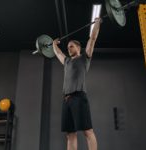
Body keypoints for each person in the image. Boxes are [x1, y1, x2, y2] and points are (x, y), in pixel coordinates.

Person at [53, 18, 101, 150]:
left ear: (78, 48)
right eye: (68, 47)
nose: (69, 49)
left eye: (71, 46)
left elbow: (92, 39)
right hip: (66, 100)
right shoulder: (67, 62)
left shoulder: (84, 58)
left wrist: (97, 24)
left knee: (87, 131)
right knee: (70, 134)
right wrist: (53, 44)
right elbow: (58, 53)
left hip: (79, 97)